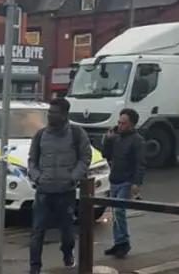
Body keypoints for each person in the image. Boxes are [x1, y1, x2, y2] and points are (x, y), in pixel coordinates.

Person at [27, 97, 92, 274]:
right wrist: (37, 177)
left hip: (65, 192)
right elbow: (32, 160)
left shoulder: (77, 133)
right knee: (37, 232)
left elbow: (85, 158)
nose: (50, 116)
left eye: (54, 113)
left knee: (67, 231)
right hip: (43, 191)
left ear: (64, 115)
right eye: (49, 112)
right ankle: (34, 268)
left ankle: (67, 252)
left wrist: (73, 177)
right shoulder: (40, 135)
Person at [102, 108, 146, 258]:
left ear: (132, 124)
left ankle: (124, 243)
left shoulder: (137, 140)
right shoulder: (117, 138)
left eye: (124, 123)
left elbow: (140, 163)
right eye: (119, 122)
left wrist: (136, 182)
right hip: (115, 179)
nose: (120, 125)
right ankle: (119, 242)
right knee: (115, 213)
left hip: (126, 181)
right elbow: (106, 155)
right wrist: (108, 140)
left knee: (119, 211)